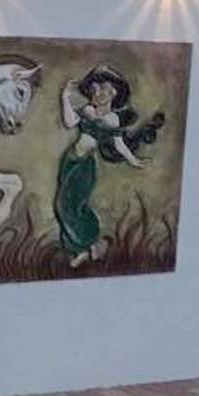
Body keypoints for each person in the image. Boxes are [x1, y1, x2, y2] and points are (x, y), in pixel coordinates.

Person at [55, 66, 166, 267]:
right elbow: (69, 122)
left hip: (85, 165)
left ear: (114, 92)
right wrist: (65, 98)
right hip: (70, 160)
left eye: (103, 88)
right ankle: (82, 250)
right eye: (94, 89)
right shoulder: (88, 110)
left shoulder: (112, 120)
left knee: (66, 205)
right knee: (68, 204)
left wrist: (133, 160)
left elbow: (119, 144)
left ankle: (89, 240)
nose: (97, 93)